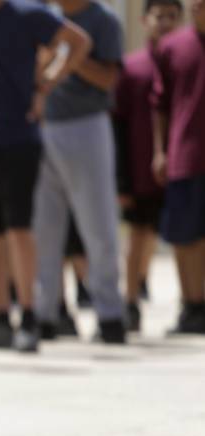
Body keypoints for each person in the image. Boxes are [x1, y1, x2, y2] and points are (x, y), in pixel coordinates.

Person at [0, 0, 91, 354]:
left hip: (18, 138)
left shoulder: (28, 14)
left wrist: (47, 83)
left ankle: (28, 315)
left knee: (19, 230)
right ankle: (0, 316)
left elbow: (78, 42)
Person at [32, 0, 127, 344]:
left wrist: (70, 56)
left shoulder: (101, 20)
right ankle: (45, 312)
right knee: (43, 229)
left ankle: (110, 313)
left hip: (86, 125)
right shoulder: (43, 15)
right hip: (42, 128)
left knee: (97, 225)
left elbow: (108, 79)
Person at [116, 0, 184, 333]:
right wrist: (121, 180)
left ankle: (192, 301)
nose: (166, 23)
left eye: (173, 16)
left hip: (184, 166)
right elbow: (117, 124)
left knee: (185, 238)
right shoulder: (131, 68)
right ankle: (129, 300)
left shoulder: (189, 60)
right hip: (139, 169)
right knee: (138, 235)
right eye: (160, 16)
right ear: (145, 21)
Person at [152, 0, 205, 334]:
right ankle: (192, 306)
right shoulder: (171, 46)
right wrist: (159, 151)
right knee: (184, 235)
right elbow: (159, 103)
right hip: (184, 155)